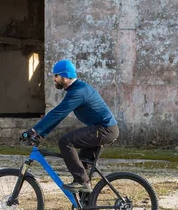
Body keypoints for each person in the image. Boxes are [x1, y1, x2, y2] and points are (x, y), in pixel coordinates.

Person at [23, 58, 119, 198]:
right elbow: (60, 116)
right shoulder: (75, 90)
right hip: (103, 129)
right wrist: (41, 134)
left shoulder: (78, 91)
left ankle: (82, 181)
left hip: (105, 130)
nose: (54, 79)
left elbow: (57, 113)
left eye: (56, 76)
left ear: (65, 76)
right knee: (83, 168)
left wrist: (34, 130)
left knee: (65, 141)